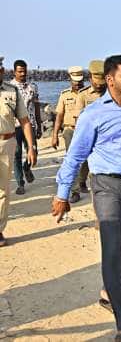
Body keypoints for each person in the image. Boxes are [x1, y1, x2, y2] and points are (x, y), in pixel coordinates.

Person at [52, 55, 121, 341]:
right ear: (110, 79)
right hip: (106, 187)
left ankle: (108, 290)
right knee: (113, 248)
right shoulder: (93, 114)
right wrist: (63, 193)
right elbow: (75, 156)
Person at [0, 56, 37, 247]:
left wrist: (31, 147)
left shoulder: (12, 91)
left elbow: (24, 120)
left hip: (6, 142)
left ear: (1, 71)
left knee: (3, 191)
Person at [51, 66, 86, 203]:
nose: (77, 83)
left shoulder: (88, 93)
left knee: (88, 160)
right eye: (75, 80)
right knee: (72, 161)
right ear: (70, 79)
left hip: (85, 131)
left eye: (80, 80)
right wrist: (54, 135)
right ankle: (75, 191)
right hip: (69, 131)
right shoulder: (64, 95)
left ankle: (82, 180)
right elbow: (59, 116)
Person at [74, 60, 107, 192]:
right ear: (90, 78)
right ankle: (79, 185)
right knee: (83, 163)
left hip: (107, 138)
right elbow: (79, 120)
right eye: (96, 82)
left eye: (101, 83)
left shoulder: (112, 93)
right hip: (88, 136)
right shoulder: (83, 95)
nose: (99, 86)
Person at [10, 59, 42, 195]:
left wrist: (39, 125)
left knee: (33, 150)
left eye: (24, 71)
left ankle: (26, 167)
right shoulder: (9, 87)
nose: (23, 74)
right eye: (20, 71)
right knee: (16, 154)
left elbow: (37, 107)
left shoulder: (33, 87)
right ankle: (20, 184)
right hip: (14, 126)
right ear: (14, 72)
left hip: (31, 124)